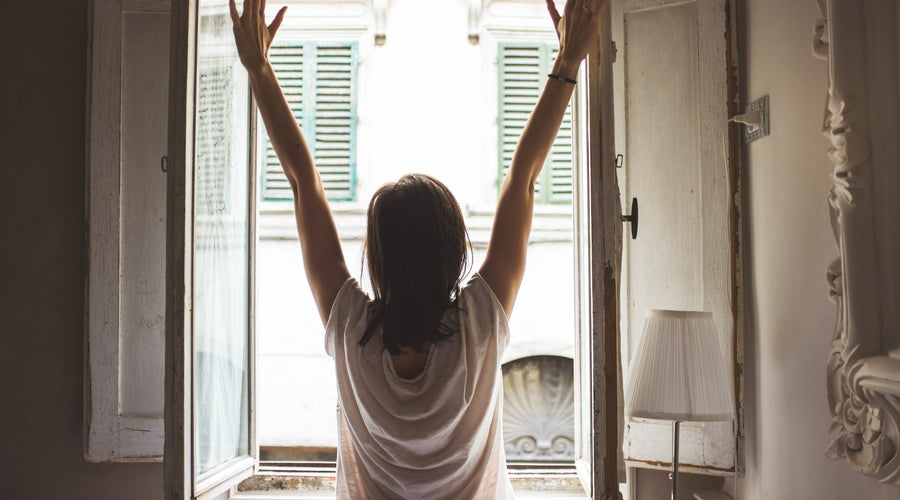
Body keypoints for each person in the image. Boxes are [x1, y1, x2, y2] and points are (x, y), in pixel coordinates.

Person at [230, 0, 604, 497]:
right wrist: (566, 62)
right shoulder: (480, 326)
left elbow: (304, 185)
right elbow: (524, 180)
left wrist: (258, 67)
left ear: (378, 256)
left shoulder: (348, 329)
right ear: (453, 253)